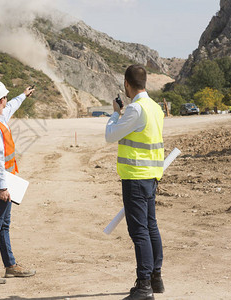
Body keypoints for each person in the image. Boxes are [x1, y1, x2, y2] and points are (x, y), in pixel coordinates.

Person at [105, 65, 165, 300]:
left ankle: (143, 286)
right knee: (151, 227)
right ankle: (155, 278)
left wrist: (115, 113)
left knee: (139, 231)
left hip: (135, 177)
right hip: (151, 176)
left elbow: (111, 135)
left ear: (127, 84)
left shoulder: (136, 110)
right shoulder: (155, 108)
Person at [0, 81, 36, 284]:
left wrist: (23, 95)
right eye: (6, 98)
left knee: (3, 224)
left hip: (3, 181)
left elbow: (11, 106)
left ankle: (10, 265)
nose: (7, 102)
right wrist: (3, 188)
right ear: (1, 99)